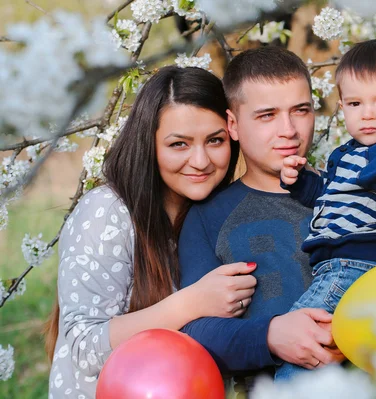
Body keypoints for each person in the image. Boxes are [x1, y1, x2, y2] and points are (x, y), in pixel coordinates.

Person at [178, 45, 376, 398]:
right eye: (267, 115)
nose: (289, 130)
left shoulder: (369, 191)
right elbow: (195, 329)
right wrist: (270, 336)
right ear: (233, 124)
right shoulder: (208, 216)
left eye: (301, 110)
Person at [46, 66, 258, 399]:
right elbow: (84, 348)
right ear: (149, 144)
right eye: (179, 144)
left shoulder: (224, 217)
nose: (200, 160)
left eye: (214, 140)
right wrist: (192, 303)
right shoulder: (107, 213)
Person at [275, 38, 376, 381]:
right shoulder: (353, 152)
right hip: (373, 272)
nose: (367, 113)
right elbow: (330, 194)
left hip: (351, 267)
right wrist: (299, 182)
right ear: (342, 107)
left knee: (301, 346)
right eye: (355, 103)